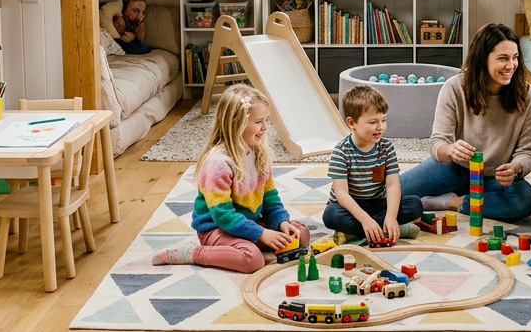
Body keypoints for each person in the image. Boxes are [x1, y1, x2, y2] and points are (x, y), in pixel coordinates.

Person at [152, 84, 311, 273]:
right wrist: (262, 233)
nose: (265, 127)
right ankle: (193, 253)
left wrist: (281, 223)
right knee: (252, 260)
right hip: (216, 228)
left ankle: (245, 245)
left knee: (301, 234)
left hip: (248, 223)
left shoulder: (258, 155)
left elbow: (271, 202)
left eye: (266, 120)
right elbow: (223, 216)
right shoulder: (218, 163)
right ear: (237, 123)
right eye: (258, 122)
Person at [399, 23, 531, 222]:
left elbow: (528, 152)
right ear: (483, 58)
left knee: (525, 200)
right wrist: (451, 150)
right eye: (503, 58)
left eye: (515, 57)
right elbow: (437, 143)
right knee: (391, 194)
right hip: (454, 168)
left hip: (496, 178)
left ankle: (454, 202)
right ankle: (473, 198)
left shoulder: (527, 95)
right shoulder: (454, 88)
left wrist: (516, 168)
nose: (511, 66)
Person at [322, 85, 423, 243]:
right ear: (352, 123)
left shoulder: (387, 148)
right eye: (373, 122)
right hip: (350, 207)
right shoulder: (341, 152)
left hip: (377, 204)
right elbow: (342, 194)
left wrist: (391, 217)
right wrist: (365, 220)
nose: (380, 127)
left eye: (383, 120)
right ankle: (386, 229)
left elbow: (392, 185)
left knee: (415, 204)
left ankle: (361, 232)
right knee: (330, 216)